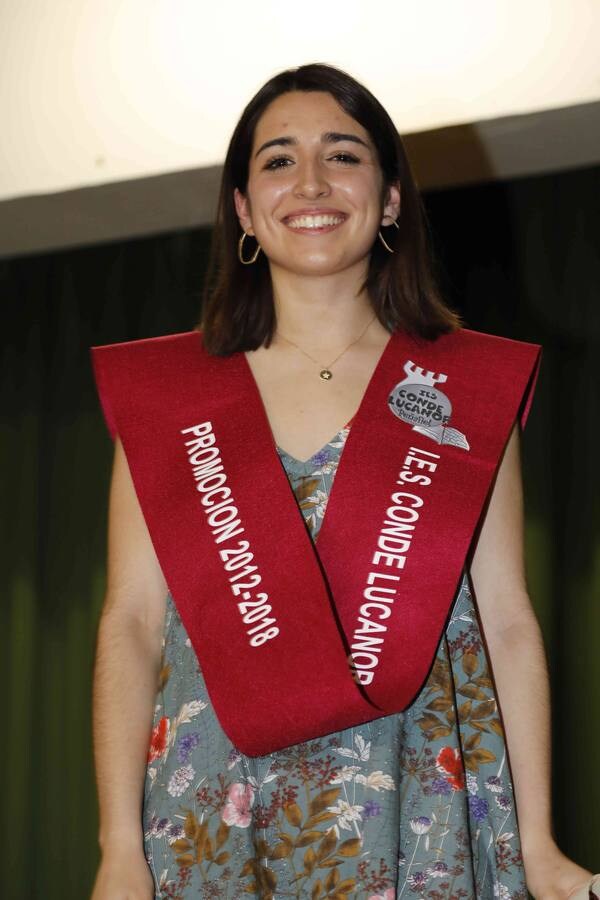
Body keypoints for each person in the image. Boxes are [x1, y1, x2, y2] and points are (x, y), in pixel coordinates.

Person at [89, 64, 597, 900]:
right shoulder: (170, 399)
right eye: (279, 160)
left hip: (421, 807)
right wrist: (118, 850)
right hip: (217, 810)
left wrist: (539, 847)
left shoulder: (464, 389)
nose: (313, 182)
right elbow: (132, 624)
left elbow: (506, 623)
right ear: (244, 210)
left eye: (345, 155)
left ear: (391, 198)